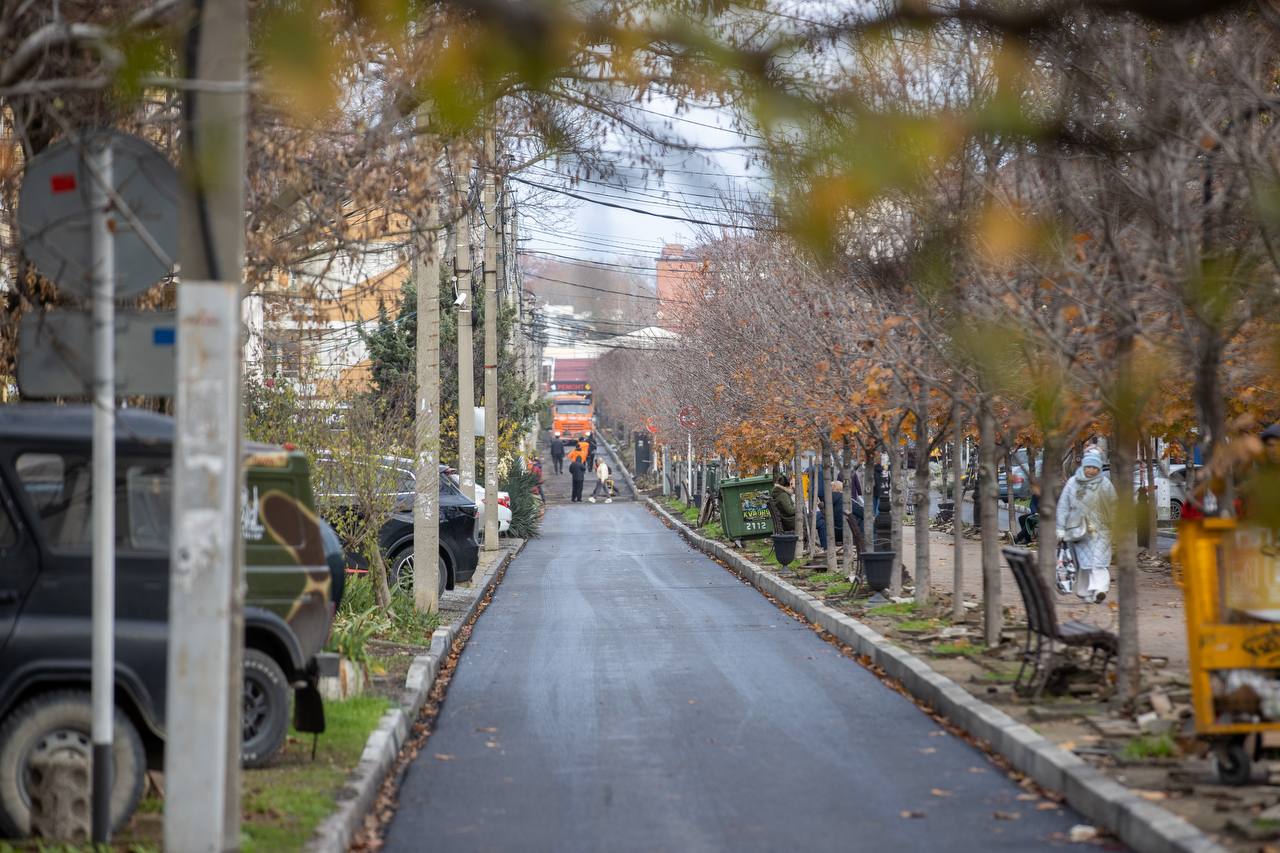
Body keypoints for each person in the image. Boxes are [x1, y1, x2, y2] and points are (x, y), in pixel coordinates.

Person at [1056, 449, 1117, 603]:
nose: (1091, 470)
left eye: (1095, 468)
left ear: (1099, 469)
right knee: (1085, 563)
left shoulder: (1105, 483)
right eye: (1089, 467)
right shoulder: (1073, 482)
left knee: (1099, 562)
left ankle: (1100, 591)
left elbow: (1114, 504)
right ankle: (1084, 592)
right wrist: (1060, 527)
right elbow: (1063, 505)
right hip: (1079, 530)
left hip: (1102, 528)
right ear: (1083, 467)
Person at [817, 479, 846, 550]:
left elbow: (825, 515)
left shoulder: (826, 499)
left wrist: (820, 506)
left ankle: (825, 548)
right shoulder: (847, 500)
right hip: (845, 530)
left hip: (831, 530)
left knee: (819, 520)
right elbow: (861, 511)